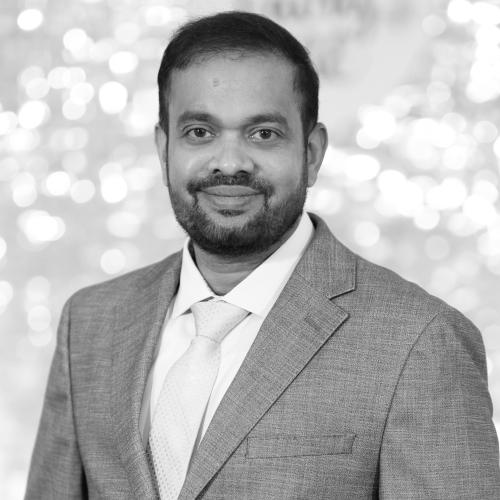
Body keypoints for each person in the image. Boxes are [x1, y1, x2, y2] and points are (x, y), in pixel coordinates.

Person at [25, 11, 500, 500]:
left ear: (312, 153)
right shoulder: (90, 324)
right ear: (163, 148)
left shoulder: (421, 341)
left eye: (263, 134)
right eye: (200, 132)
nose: (230, 163)